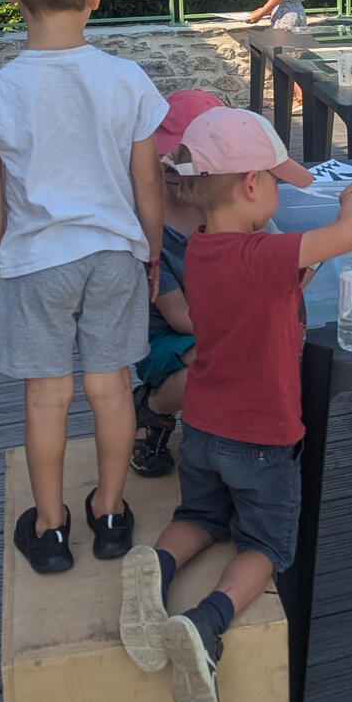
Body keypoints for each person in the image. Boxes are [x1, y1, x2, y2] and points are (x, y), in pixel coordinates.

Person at [119, 106, 352, 702]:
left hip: (204, 428)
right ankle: (207, 623)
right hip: (261, 439)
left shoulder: (204, 249)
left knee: (200, 516)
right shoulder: (263, 253)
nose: (280, 194)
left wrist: (300, 265)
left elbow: (268, 284)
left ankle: (155, 567)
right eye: (276, 181)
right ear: (251, 186)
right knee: (265, 545)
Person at [0, 0, 166, 574]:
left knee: (46, 398)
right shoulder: (127, 82)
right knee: (111, 389)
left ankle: (50, 528)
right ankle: (109, 513)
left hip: (36, 261)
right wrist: (152, 250)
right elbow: (148, 185)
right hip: (113, 255)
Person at [131, 88, 227, 477]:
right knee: (212, 361)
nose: (172, 170)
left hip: (226, 321)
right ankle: (155, 408)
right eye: (165, 159)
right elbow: (178, 316)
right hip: (169, 338)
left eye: (185, 162)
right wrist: (241, 327)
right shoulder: (151, 226)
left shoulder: (229, 206)